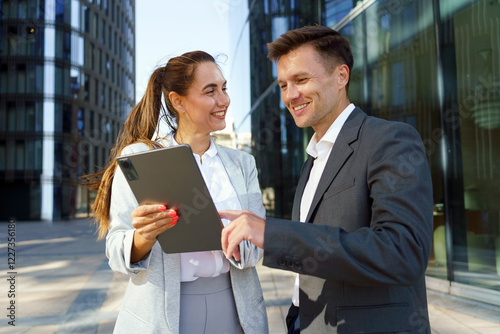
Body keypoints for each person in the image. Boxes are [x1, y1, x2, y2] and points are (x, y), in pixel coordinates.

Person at [220, 25, 433, 333]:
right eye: (282, 85)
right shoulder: (314, 159)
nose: (290, 95)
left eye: (301, 80)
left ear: (341, 76)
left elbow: (403, 252)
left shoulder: (389, 140)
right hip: (304, 320)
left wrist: (275, 234)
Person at [83, 51, 268, 334]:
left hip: (235, 309)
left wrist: (237, 238)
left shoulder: (243, 164)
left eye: (224, 88)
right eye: (210, 91)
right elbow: (116, 252)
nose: (224, 100)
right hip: (163, 312)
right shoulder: (140, 158)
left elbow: (256, 246)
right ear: (177, 100)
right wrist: (144, 237)